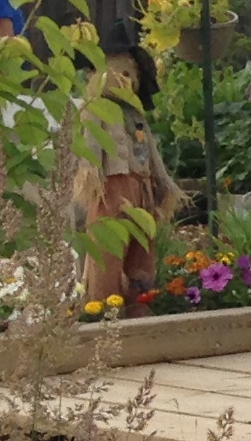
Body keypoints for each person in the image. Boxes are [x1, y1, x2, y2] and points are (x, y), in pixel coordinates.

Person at [70, 37, 182, 308]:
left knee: (142, 249)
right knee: (107, 251)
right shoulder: (96, 111)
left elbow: (152, 153)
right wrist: (90, 174)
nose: (125, 80)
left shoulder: (136, 115)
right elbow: (90, 145)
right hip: (112, 188)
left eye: (130, 74)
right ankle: (102, 305)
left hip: (141, 186)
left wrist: (164, 185)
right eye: (117, 73)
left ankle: (139, 303)